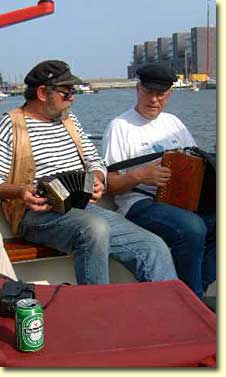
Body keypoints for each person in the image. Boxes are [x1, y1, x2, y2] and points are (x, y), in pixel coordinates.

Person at [0, 60, 177, 285]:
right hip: (37, 215)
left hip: (83, 208)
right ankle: (97, 310)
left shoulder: (70, 120)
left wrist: (98, 178)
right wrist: (21, 191)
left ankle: (166, 315)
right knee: (94, 229)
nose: (72, 97)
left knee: (153, 247)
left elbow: (95, 160)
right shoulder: (11, 125)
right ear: (43, 92)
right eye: (67, 92)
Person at [102, 63, 216, 299]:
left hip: (179, 200)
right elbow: (110, 185)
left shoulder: (174, 123)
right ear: (137, 89)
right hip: (138, 203)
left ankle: (195, 292)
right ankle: (193, 298)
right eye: (148, 92)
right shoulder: (119, 127)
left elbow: (197, 161)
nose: (154, 99)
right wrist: (141, 175)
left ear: (169, 94)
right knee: (192, 228)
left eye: (160, 93)